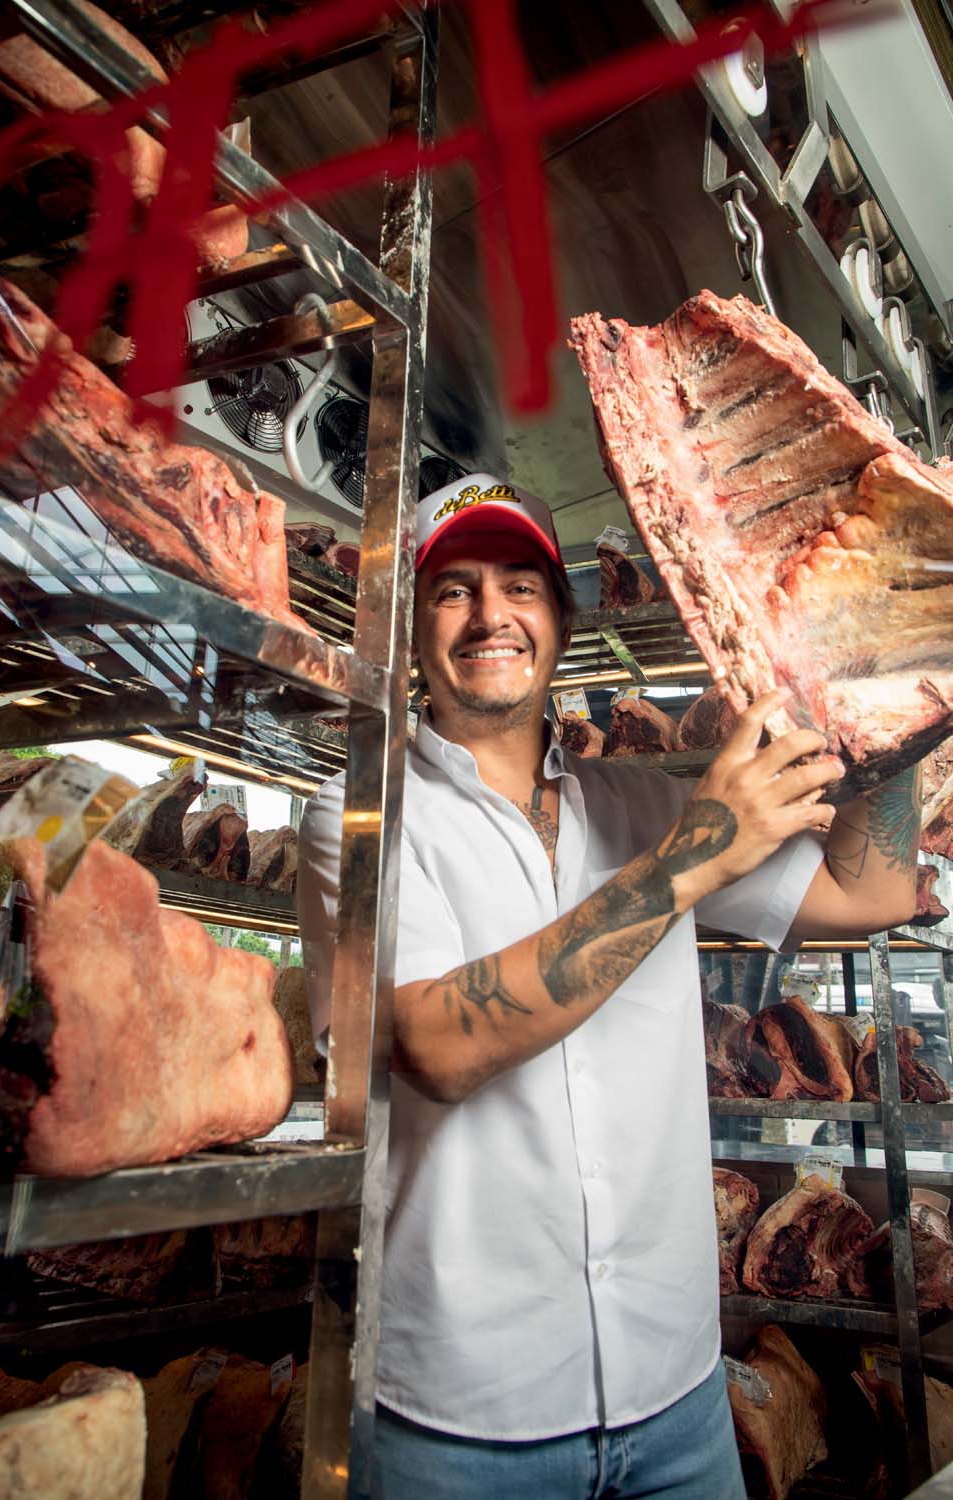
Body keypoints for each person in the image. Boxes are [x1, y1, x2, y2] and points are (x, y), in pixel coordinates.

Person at [297, 472, 920, 1500]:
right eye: (452, 590)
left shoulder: (641, 801)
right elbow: (435, 1048)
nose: (490, 615)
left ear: (563, 617)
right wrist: (691, 858)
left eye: (520, 585)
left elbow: (873, 889)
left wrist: (886, 683)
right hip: (460, 1419)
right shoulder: (359, 819)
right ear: (410, 629)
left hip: (676, 1397)